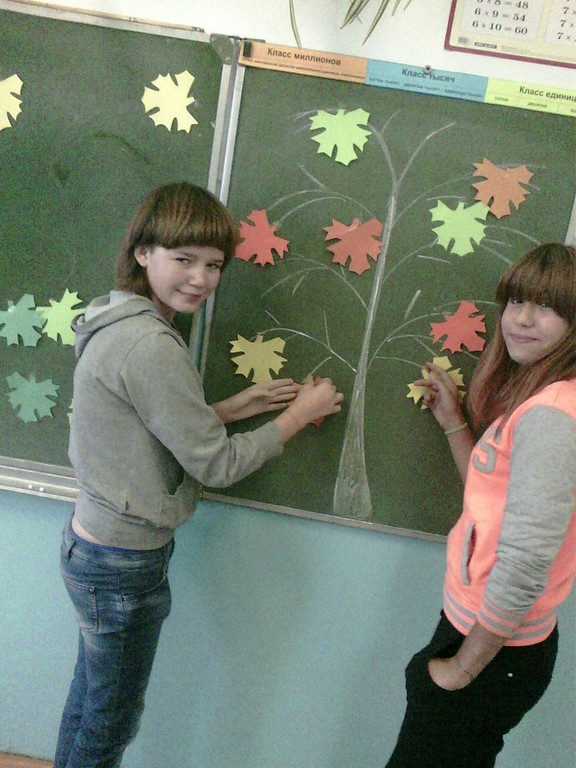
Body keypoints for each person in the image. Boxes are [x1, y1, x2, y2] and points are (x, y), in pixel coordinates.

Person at [54, 181, 344, 768]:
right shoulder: (151, 345)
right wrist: (297, 416)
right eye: (183, 259)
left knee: (92, 702)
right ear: (143, 252)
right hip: (121, 561)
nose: (200, 278)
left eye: (213, 265)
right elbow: (217, 464)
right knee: (111, 720)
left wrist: (233, 408)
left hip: (96, 543)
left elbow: (147, 425)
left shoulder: (118, 320)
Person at [385, 242, 576, 768]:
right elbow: (491, 496)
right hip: (486, 636)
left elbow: (527, 561)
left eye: (547, 307)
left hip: (492, 651)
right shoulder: (540, 399)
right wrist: (454, 423)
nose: (523, 319)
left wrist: (461, 670)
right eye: (516, 302)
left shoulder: (552, 416)